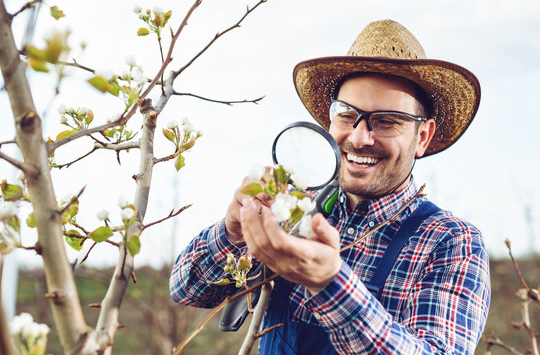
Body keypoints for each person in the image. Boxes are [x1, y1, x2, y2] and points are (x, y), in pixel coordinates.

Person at [170, 19, 490, 354]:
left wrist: (329, 282)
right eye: (347, 115)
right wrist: (232, 231)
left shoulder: (452, 242)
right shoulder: (291, 209)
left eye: (386, 121)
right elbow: (186, 290)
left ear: (422, 136)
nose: (359, 137)